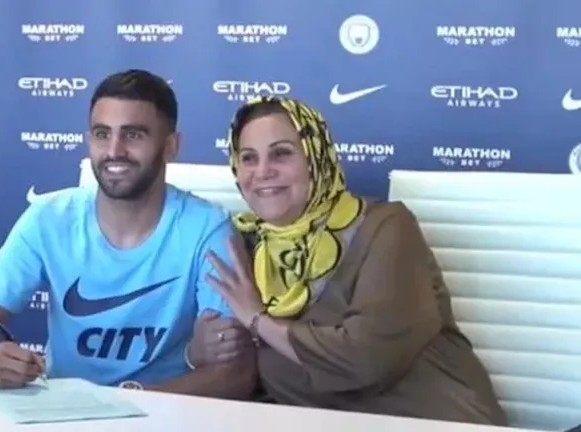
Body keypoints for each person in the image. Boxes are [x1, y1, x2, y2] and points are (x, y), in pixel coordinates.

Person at [0, 69, 256, 398]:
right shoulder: (48, 219)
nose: (114, 150)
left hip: (165, 413)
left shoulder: (208, 230)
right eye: (102, 134)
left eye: (133, 135)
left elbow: (235, 374)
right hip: (62, 411)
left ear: (170, 147)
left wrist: (128, 402)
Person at [195, 96, 509, 425]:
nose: (262, 172)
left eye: (281, 153)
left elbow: (365, 358)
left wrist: (259, 321)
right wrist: (199, 351)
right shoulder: (246, 247)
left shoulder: (385, 228)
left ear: (315, 158)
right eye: (248, 158)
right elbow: (234, 367)